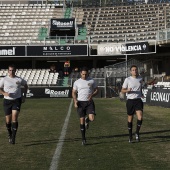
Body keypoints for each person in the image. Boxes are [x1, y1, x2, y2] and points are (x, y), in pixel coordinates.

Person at [0, 64, 28, 144]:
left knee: (14, 118)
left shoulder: (19, 79)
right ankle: (9, 133)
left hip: (17, 100)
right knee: (8, 121)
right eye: (10, 70)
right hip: (7, 101)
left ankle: (13, 137)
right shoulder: (4, 79)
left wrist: (24, 96)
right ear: (8, 71)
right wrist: (4, 93)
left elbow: (26, 85)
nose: (11, 72)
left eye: (13, 70)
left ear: (15, 71)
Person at [72, 67, 98, 145]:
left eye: (85, 74)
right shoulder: (77, 82)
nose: (84, 75)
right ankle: (83, 139)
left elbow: (97, 89)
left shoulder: (92, 80)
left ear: (88, 73)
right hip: (80, 103)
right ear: (80, 73)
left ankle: (88, 120)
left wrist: (92, 95)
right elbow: (73, 92)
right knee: (81, 120)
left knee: (92, 119)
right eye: (83, 74)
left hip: (89, 102)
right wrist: (75, 101)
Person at [121, 65, 144, 143]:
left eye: (136, 70)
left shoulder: (140, 79)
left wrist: (142, 93)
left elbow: (140, 88)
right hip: (130, 101)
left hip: (138, 100)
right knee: (130, 119)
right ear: (131, 71)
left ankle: (137, 133)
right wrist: (127, 90)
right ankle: (130, 135)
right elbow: (122, 90)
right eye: (133, 70)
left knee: (140, 117)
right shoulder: (128, 79)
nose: (135, 71)